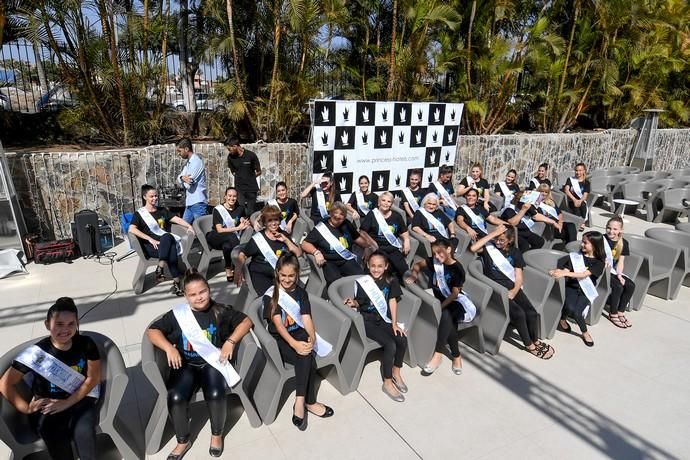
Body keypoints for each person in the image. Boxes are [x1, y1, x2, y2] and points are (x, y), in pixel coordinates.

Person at [147, 270, 253, 459]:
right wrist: (169, 349)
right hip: (186, 364)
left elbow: (246, 321)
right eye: (193, 294)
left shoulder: (220, 310)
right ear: (186, 296)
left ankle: (217, 434)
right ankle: (182, 440)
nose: (199, 297)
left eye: (202, 292)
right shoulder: (178, 315)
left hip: (212, 363)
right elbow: (153, 331)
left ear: (209, 290)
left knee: (215, 394)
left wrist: (231, 341)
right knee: (176, 397)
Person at [0, 298, 101, 460]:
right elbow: (5, 383)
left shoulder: (86, 344)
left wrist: (66, 403)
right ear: (47, 324)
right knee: (56, 438)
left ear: (77, 324)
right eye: (59, 324)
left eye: (71, 324)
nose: (65, 330)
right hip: (47, 405)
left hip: (80, 399)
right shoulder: (38, 353)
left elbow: (93, 378)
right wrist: (26, 408)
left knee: (84, 432)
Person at [263, 252, 334, 430]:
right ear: (277, 273)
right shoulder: (271, 296)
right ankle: (304, 401)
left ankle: (302, 402)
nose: (287, 280)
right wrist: (295, 344)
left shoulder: (301, 293)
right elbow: (279, 326)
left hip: (299, 333)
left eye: (291, 276)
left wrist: (311, 337)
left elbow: (306, 318)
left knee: (307, 353)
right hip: (281, 339)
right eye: (283, 275)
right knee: (307, 359)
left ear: (297, 274)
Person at [470, 226, 555, 359]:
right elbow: (473, 248)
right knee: (519, 314)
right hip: (496, 289)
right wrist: (493, 234)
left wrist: (515, 291)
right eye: (497, 239)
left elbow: (519, 276)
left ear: (510, 240)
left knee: (531, 312)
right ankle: (529, 345)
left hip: (511, 286)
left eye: (502, 240)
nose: (498, 242)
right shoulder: (488, 248)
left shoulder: (515, 252)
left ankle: (535, 340)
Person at [344, 251, 408, 402]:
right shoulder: (363, 282)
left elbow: (392, 300)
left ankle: (396, 372)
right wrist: (352, 303)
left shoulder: (391, 280)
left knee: (402, 339)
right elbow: (360, 302)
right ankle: (387, 383)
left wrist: (394, 324)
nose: (376, 269)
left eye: (380, 266)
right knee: (390, 344)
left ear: (386, 266)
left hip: (384, 319)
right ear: (368, 265)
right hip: (367, 321)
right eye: (373, 266)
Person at [406, 239, 474, 374]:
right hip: (441, 302)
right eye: (434, 253)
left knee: (447, 315)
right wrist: (414, 274)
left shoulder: (457, 269)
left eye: (439, 252)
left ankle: (437, 355)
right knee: (449, 322)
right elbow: (418, 265)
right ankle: (456, 356)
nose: (436, 256)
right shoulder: (433, 262)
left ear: (448, 250)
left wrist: (440, 307)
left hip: (457, 303)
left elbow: (454, 294)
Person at [128, 184, 196, 296]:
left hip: (164, 245)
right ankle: (177, 283)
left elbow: (177, 220)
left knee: (168, 239)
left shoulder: (162, 210)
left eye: (156, 196)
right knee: (170, 242)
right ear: (145, 197)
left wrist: (189, 226)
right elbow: (132, 229)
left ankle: (161, 266)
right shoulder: (139, 214)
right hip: (152, 247)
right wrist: (150, 239)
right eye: (151, 196)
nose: (155, 198)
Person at [550, 231, 606, 347]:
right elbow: (566, 269)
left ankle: (585, 333)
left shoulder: (599, 263)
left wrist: (566, 274)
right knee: (568, 306)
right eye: (582, 242)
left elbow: (584, 274)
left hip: (586, 290)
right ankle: (562, 319)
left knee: (576, 313)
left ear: (595, 245)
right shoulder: (576, 257)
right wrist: (558, 272)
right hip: (572, 287)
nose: (582, 245)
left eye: (585, 243)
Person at [236, 205, 303, 295]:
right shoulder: (258, 238)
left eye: (276, 219)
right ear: (265, 223)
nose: (274, 223)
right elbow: (243, 254)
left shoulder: (283, 234)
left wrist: (286, 240)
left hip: (282, 276)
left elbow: (298, 253)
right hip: (261, 276)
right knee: (274, 298)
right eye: (270, 220)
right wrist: (238, 269)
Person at [301, 202, 368, 283]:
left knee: (362, 278)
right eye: (335, 213)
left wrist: (368, 247)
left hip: (346, 259)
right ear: (330, 213)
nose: (338, 216)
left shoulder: (347, 224)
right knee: (336, 282)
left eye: (341, 214)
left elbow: (358, 239)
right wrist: (316, 252)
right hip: (329, 262)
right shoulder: (321, 228)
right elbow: (304, 244)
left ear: (345, 216)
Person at [360, 192, 411, 281]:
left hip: (392, 248)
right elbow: (362, 231)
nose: (386, 203)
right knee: (373, 269)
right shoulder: (372, 215)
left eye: (389, 201)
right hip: (377, 249)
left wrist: (406, 240)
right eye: (383, 200)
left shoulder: (396, 216)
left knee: (404, 269)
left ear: (392, 204)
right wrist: (372, 242)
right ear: (379, 202)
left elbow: (404, 231)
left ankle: (408, 289)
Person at [206, 186, 251, 282]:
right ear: (225, 197)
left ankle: (228, 268)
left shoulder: (240, 208)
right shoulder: (218, 209)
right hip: (215, 237)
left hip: (229, 240)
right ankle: (239, 267)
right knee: (231, 236)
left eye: (234, 196)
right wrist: (237, 228)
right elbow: (219, 230)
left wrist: (244, 223)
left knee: (227, 246)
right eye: (229, 196)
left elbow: (243, 220)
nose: (232, 198)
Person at [604, 216, 636, 328]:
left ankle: (620, 311)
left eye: (615, 229)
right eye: (609, 228)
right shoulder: (601, 239)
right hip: (601, 271)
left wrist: (619, 275)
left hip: (613, 271)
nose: (611, 231)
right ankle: (612, 314)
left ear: (621, 230)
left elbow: (621, 262)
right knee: (618, 286)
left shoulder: (623, 243)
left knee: (630, 285)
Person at [176, 138, 208, 224]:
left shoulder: (196, 162)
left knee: (200, 230)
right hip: (189, 202)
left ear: (186, 149)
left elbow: (188, 185)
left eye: (179, 151)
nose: (179, 154)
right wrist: (182, 178)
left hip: (198, 203)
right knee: (184, 229)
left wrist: (182, 179)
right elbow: (178, 179)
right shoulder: (188, 163)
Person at [225, 138, 262, 213]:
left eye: (229, 149)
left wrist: (250, 177)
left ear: (235, 146)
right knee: (240, 210)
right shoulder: (230, 157)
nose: (229, 151)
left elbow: (259, 171)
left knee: (250, 211)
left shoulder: (251, 155)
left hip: (251, 189)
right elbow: (233, 172)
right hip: (239, 189)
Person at [563, 163, 590, 227]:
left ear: (584, 171)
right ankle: (578, 223)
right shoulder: (570, 179)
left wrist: (579, 201)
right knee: (576, 207)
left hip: (581, 201)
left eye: (580, 170)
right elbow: (566, 190)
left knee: (582, 205)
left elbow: (585, 196)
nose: (578, 172)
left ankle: (582, 222)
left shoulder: (586, 182)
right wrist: (574, 200)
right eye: (576, 170)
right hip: (571, 200)